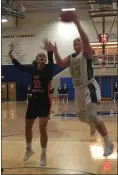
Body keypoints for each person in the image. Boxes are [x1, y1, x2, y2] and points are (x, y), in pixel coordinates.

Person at [44, 12, 114, 157]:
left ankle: (108, 142)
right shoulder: (71, 57)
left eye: (78, 40)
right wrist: (55, 51)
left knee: (92, 114)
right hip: (78, 90)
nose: (76, 42)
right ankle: (93, 123)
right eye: (74, 41)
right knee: (82, 118)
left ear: (83, 43)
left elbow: (85, 39)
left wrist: (76, 22)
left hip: (89, 86)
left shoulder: (87, 53)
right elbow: (60, 63)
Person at [9, 42, 54, 166]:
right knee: (27, 126)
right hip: (33, 100)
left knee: (42, 126)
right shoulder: (32, 70)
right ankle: (29, 149)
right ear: (36, 59)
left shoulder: (49, 69)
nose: (42, 57)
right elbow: (19, 67)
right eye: (40, 55)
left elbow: (51, 60)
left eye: (43, 56)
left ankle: (43, 153)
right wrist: (11, 55)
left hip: (45, 100)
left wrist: (50, 51)